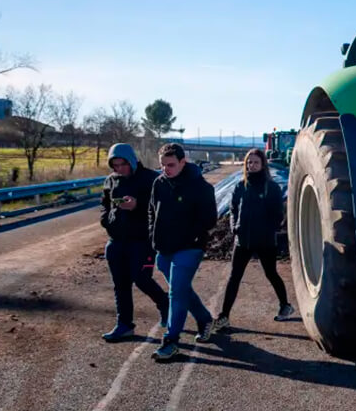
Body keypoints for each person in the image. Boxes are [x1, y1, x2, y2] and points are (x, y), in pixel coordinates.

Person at [149, 143, 217, 361]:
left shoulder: (201, 187)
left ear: (182, 162)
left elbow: (209, 219)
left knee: (176, 292)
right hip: (164, 248)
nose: (166, 169)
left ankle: (171, 341)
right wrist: (153, 235)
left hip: (189, 247)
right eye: (162, 165)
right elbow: (151, 211)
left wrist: (190, 236)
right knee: (181, 289)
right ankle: (205, 319)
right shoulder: (159, 183)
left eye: (170, 165)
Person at [216, 148, 295, 329]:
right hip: (243, 239)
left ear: (263, 164)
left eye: (256, 162)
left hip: (265, 241)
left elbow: (277, 214)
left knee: (271, 273)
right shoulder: (240, 185)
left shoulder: (272, 187)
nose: (252, 165)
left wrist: (269, 229)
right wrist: (234, 227)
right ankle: (224, 316)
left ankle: (285, 306)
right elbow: (233, 207)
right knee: (234, 277)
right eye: (249, 162)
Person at [99, 143, 169, 342]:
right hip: (116, 241)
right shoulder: (110, 180)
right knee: (120, 285)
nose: (119, 169)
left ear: (131, 160)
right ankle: (124, 325)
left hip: (142, 241)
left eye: (122, 164)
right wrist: (106, 221)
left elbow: (161, 208)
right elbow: (104, 204)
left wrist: (138, 206)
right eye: (115, 165)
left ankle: (165, 304)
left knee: (142, 278)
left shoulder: (151, 178)